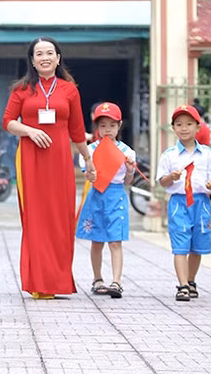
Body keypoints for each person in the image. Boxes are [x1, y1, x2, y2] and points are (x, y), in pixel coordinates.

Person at [2, 37, 96, 299]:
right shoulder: (21, 89)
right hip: (30, 159)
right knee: (35, 218)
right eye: (39, 53)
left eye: (49, 53)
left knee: (60, 218)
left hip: (59, 161)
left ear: (58, 57)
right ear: (32, 60)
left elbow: (77, 130)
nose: (44, 57)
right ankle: (38, 281)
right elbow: (8, 121)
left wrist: (88, 159)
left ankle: (57, 280)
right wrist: (30, 131)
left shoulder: (69, 90)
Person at [156, 105, 211, 302]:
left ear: (198, 127)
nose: (184, 128)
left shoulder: (207, 153)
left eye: (189, 124)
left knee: (197, 246)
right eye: (179, 124)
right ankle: (182, 285)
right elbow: (162, 182)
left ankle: (191, 280)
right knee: (180, 245)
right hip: (179, 203)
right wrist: (171, 177)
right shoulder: (169, 155)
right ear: (173, 128)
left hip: (201, 203)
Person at [76, 102, 135, 299]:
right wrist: (91, 174)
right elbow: (89, 177)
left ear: (119, 126)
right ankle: (97, 278)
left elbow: (128, 181)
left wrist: (130, 168)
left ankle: (116, 282)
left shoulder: (127, 152)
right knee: (97, 241)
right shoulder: (89, 151)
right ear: (96, 128)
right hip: (96, 197)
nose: (107, 130)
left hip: (116, 196)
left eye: (111, 125)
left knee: (115, 241)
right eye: (102, 125)